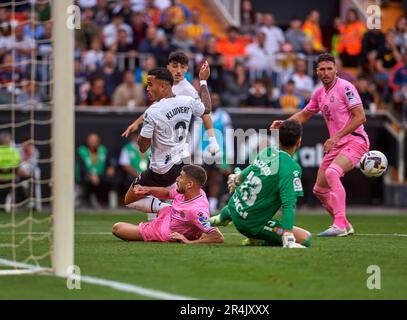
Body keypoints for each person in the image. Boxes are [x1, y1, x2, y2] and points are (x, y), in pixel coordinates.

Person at [271, 53, 369, 237]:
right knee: (320, 189)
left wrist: (335, 137)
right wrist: (284, 123)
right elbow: (305, 114)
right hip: (337, 144)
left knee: (332, 173)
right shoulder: (319, 93)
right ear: (316, 71)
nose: (326, 72)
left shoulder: (346, 87)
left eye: (329, 69)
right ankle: (344, 224)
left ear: (336, 70)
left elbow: (360, 117)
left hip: (355, 140)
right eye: (322, 69)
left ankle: (339, 223)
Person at [122, 67, 209, 219]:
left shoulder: (153, 111)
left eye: (150, 84)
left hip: (160, 169)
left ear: (162, 86)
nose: (147, 88)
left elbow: (143, 148)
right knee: (173, 196)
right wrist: (203, 81)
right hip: (180, 163)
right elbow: (207, 109)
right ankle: (174, 213)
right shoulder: (187, 101)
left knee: (129, 200)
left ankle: (171, 210)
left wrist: (141, 138)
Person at [210, 120, 312, 249]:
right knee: (306, 238)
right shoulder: (292, 168)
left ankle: (219, 218)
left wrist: (237, 178)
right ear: (299, 142)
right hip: (251, 225)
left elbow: (248, 172)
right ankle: (258, 240)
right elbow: (288, 204)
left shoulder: (267, 152)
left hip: (234, 208)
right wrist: (288, 236)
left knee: (241, 201)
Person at [121, 51, 219, 159]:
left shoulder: (188, 90)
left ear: (186, 69)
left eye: (182, 67)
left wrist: (212, 140)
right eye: (175, 66)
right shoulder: (165, 84)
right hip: (161, 141)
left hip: (177, 145)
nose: (178, 71)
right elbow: (154, 107)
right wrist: (137, 122)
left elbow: (205, 112)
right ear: (168, 67)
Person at [112, 164, 225, 244]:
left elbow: (218, 237)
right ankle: (158, 213)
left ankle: (150, 221)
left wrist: (189, 242)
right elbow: (167, 193)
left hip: (157, 232)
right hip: (168, 214)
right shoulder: (192, 191)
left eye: (181, 177)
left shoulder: (196, 211)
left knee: (117, 228)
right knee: (130, 201)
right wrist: (146, 189)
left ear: (189, 184)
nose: (177, 179)